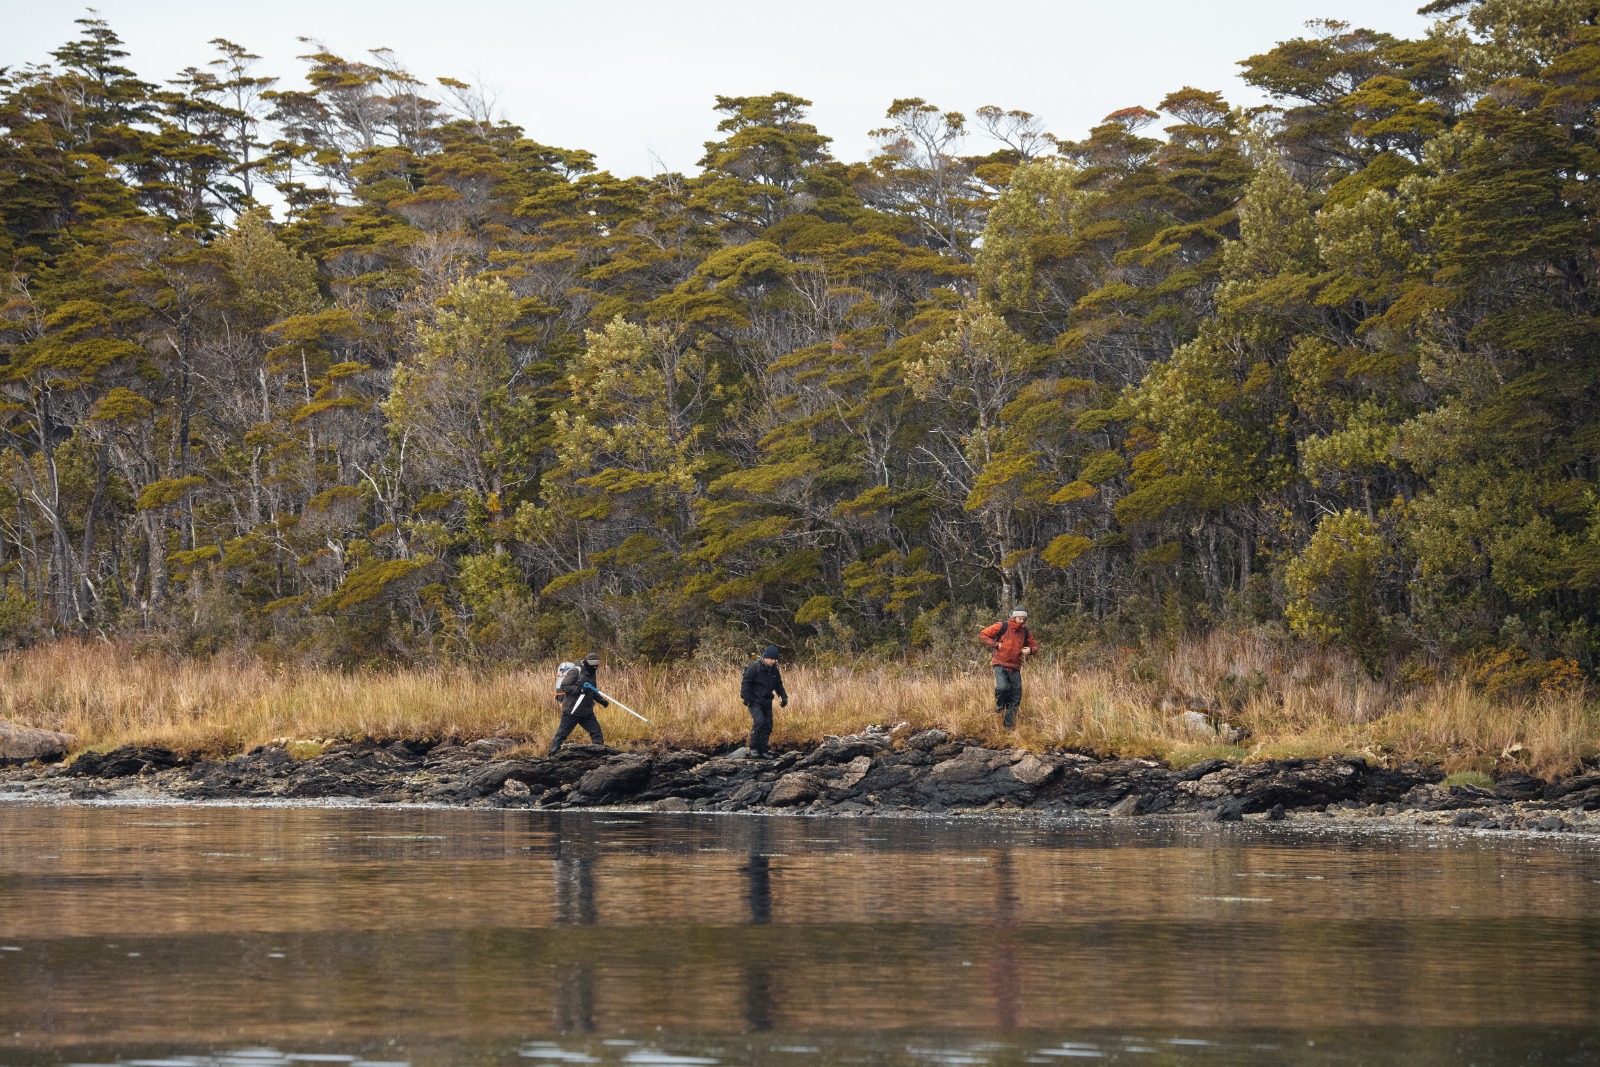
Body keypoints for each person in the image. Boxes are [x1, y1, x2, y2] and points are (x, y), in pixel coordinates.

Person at [980, 608, 1038, 728]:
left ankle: (1008, 726)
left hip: (1015, 667)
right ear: (1014, 617)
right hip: (1000, 664)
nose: (1022, 621)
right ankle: (999, 709)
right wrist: (996, 645)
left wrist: (1030, 650)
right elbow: (983, 634)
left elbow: (1034, 646)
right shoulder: (1002, 626)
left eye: (1024, 619)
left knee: (1016, 695)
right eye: (1020, 618)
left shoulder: (1025, 632)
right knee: (1003, 688)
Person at [550, 651, 610, 754]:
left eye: (597, 665)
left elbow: (592, 690)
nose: (595, 668)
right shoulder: (576, 671)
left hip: (586, 711)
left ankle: (599, 755)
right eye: (593, 665)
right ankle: (552, 754)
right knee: (562, 734)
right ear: (588, 663)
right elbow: (565, 686)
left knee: (596, 733)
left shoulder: (592, 674)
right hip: (572, 710)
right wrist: (581, 689)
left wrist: (602, 701)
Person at [740, 645, 788, 756]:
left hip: (767, 701)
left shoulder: (774, 670)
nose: (774, 661)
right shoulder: (754, 668)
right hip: (754, 701)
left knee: (768, 725)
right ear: (765, 657)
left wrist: (784, 697)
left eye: (775, 659)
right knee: (759, 722)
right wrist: (745, 698)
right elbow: (745, 683)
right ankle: (753, 748)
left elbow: (779, 685)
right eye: (772, 659)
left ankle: (763, 750)